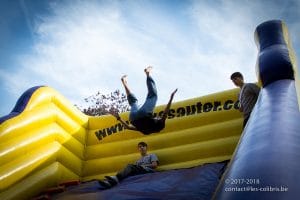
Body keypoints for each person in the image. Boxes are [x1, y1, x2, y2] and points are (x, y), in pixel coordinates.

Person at [111, 66, 177, 135]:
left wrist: (171, 98)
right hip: (133, 118)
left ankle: (148, 73)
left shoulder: (161, 125)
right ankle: (124, 82)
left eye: (158, 118)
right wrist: (118, 118)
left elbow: (165, 113)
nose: (157, 117)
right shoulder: (145, 131)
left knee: (153, 96)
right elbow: (127, 127)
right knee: (133, 102)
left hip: (143, 114)